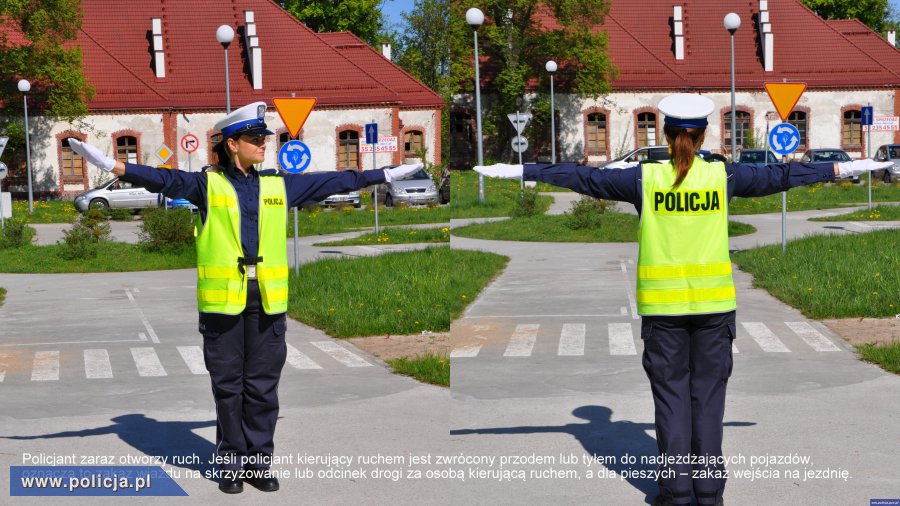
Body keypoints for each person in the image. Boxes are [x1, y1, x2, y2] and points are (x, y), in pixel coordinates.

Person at [474, 94, 891, 506]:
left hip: (663, 313)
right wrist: (844, 166)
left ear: (666, 133)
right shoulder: (722, 176)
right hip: (714, 311)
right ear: (705, 133)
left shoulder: (643, 177)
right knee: (708, 402)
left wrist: (523, 170)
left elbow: (583, 178)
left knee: (672, 400)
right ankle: (708, 493)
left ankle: (675, 494)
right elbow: (781, 176)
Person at [69, 101, 422, 494]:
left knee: (262, 389)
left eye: (264, 138)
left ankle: (258, 464)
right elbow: (161, 179)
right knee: (229, 389)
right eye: (256, 139)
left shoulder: (277, 185)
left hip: (268, 303)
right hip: (223, 305)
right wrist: (113, 166)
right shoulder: (206, 185)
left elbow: (333, 181)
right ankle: (231, 465)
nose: (264, 145)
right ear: (232, 144)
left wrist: (383, 173)